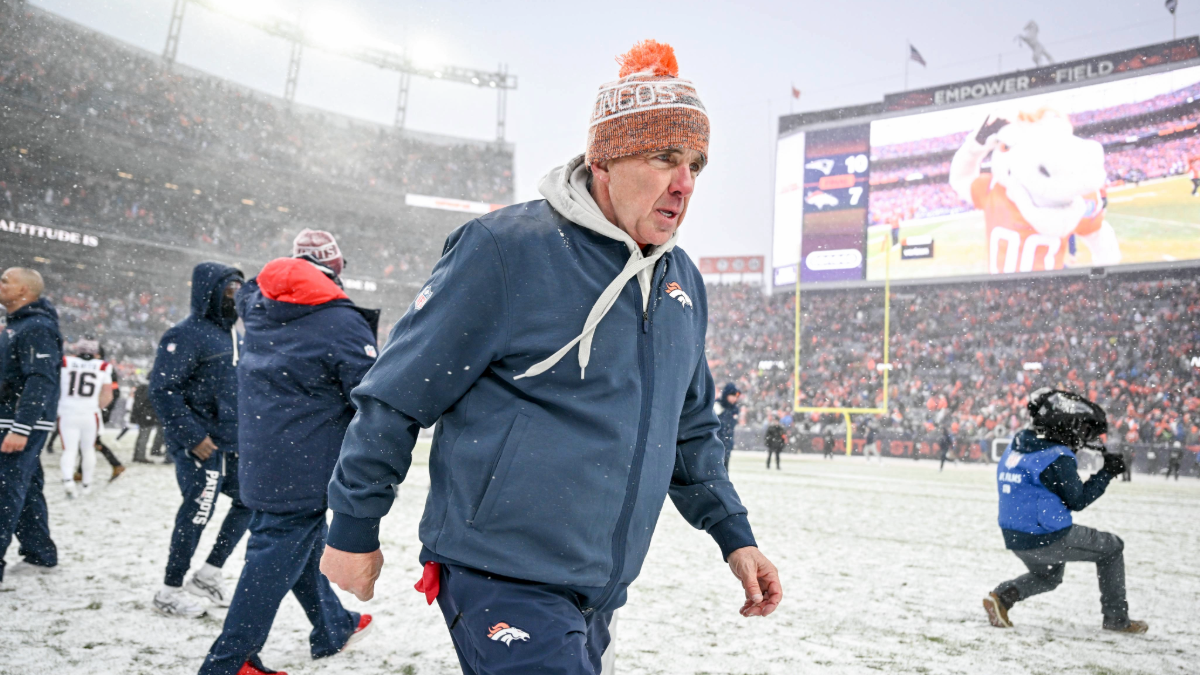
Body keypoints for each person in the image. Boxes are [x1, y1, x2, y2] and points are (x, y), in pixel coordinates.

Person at [321, 40, 782, 675]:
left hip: (599, 590)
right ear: (605, 161)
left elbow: (690, 428)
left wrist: (736, 536)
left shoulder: (682, 284)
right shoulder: (504, 250)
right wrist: (352, 529)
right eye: (663, 157)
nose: (684, 183)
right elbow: (396, 394)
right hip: (498, 575)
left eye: (697, 164)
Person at [199, 236, 378, 675]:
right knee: (275, 552)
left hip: (263, 449)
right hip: (307, 459)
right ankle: (231, 661)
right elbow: (367, 393)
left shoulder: (256, 305)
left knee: (296, 543)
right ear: (333, 270)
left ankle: (333, 626)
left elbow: (246, 290)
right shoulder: (338, 321)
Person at [983, 388, 1147, 633]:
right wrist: (1107, 473)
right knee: (1112, 548)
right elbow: (1077, 500)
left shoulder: (1019, 442)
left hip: (1014, 534)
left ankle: (1002, 597)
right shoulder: (1056, 456)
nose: (1083, 435)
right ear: (1064, 425)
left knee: (1049, 577)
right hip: (1046, 535)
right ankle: (1116, 620)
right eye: (1081, 429)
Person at [149, 262, 251, 617]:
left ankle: (209, 573)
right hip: (202, 445)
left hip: (232, 444)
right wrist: (192, 436)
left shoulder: (234, 335)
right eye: (228, 289)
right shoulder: (184, 334)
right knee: (197, 514)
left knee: (251, 500)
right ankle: (169, 590)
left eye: (240, 287)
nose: (236, 295)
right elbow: (163, 389)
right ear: (209, 291)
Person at [0, 267, 60, 584]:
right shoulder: (18, 325)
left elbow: (41, 379)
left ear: (24, 291)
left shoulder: (37, 327)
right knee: (26, 486)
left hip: (18, 422)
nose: (0, 284)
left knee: (5, 488)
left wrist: (21, 428)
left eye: (5, 280)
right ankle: (40, 553)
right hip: (14, 418)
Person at [57, 336, 114, 498]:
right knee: (88, 449)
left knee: (69, 449)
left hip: (67, 410)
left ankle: (68, 480)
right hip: (89, 412)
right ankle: (86, 485)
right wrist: (95, 406)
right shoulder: (103, 366)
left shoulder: (65, 363)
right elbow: (107, 395)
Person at [130, 380, 164, 463]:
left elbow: (139, 403)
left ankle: (138, 455)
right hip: (146, 416)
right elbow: (147, 403)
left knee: (143, 436)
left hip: (142, 415)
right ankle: (140, 456)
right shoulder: (148, 388)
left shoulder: (142, 387)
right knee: (144, 436)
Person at [715, 382, 741, 469]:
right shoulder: (717, 406)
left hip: (727, 444)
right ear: (727, 394)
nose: (735, 399)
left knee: (725, 469)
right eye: (733, 395)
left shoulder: (735, 409)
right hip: (715, 443)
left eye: (736, 396)